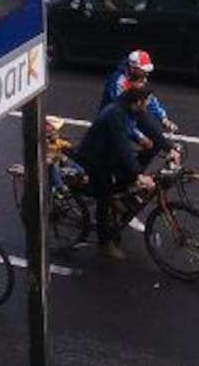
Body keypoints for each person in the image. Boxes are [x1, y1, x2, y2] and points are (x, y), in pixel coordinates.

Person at [75, 85, 177, 260]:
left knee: (126, 179)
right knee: (104, 198)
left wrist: (170, 148)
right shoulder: (116, 114)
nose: (147, 106)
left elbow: (152, 130)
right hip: (96, 158)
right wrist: (139, 174)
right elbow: (123, 149)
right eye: (146, 103)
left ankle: (119, 201)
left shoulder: (133, 108)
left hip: (110, 153)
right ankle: (105, 244)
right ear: (138, 102)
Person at [99, 49, 178, 169]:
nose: (146, 75)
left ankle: (137, 172)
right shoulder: (118, 84)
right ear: (133, 68)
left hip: (132, 113)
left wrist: (163, 118)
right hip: (114, 121)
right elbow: (121, 116)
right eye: (144, 71)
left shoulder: (139, 78)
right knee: (123, 153)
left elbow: (149, 99)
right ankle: (132, 176)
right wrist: (139, 136)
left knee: (155, 142)